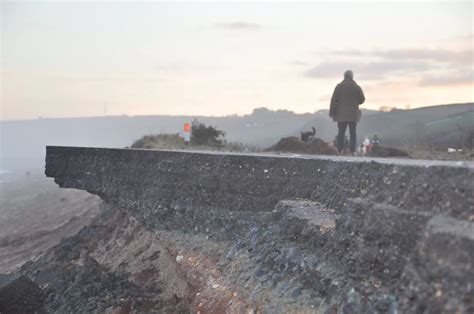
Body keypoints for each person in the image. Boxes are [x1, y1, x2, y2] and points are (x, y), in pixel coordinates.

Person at [329, 70, 365, 154]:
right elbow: (362, 99)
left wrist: (332, 112)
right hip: (353, 115)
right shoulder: (356, 87)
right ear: (352, 76)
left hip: (341, 115)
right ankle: (352, 151)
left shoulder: (339, 87)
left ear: (344, 76)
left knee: (341, 133)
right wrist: (356, 101)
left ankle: (339, 150)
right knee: (353, 133)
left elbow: (333, 100)